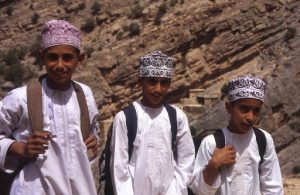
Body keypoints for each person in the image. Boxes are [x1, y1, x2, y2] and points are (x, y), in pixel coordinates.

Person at [0, 19, 99, 195]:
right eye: (53, 57)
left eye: (67, 58)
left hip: (79, 188)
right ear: (42, 58)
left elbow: (93, 129)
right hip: (33, 189)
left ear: (79, 59)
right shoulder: (20, 97)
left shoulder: (85, 95)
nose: (60, 65)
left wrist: (93, 138)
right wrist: (20, 148)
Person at [110, 50, 195, 195]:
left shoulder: (177, 117)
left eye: (164, 83)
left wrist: (175, 190)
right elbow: (119, 169)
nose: (158, 89)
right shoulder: (124, 118)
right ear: (140, 82)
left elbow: (186, 160)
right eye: (152, 81)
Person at [190, 75, 284, 195]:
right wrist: (213, 165)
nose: (250, 117)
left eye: (256, 111)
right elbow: (199, 191)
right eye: (244, 109)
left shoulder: (263, 140)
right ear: (229, 107)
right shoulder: (211, 143)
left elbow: (273, 188)